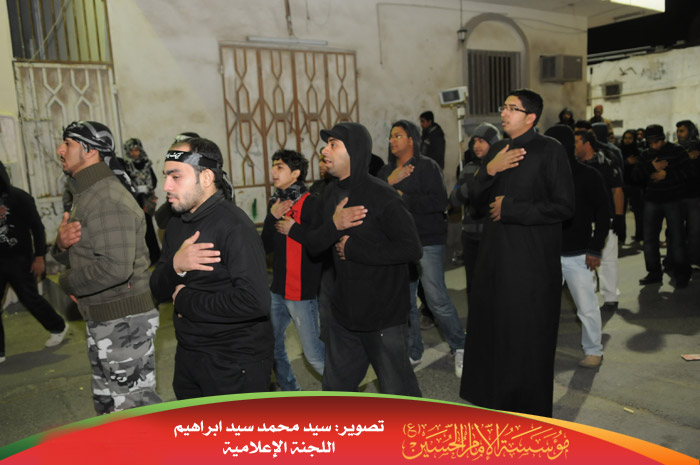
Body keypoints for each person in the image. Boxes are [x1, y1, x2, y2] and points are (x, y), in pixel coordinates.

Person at [460, 89, 575, 417]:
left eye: (513, 108)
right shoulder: (498, 150)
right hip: (494, 259)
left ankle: (525, 411)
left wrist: (512, 208)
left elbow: (564, 206)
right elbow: (475, 202)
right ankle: (493, 402)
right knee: (493, 332)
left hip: (530, 264)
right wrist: (490, 170)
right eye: (504, 106)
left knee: (524, 337)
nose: (504, 113)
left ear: (531, 117)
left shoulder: (550, 150)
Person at [149, 137, 273, 399]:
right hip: (189, 356)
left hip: (234, 362)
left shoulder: (234, 226)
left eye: (175, 176)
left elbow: (255, 302)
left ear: (205, 177)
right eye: (166, 176)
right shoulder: (176, 224)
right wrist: (176, 265)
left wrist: (185, 300)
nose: (166, 186)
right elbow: (157, 290)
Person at [305, 122, 422, 396]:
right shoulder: (330, 193)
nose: (324, 151)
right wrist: (334, 225)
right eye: (326, 145)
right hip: (344, 313)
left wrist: (356, 250)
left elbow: (411, 249)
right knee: (336, 390)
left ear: (354, 151)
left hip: (383, 316)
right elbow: (313, 244)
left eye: (333, 145)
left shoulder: (383, 195)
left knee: (399, 393)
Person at [52, 121, 161, 414]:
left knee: (134, 412)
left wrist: (68, 282)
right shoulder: (87, 193)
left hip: (123, 322)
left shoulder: (106, 197)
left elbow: (115, 269)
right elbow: (84, 252)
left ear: (90, 151)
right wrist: (61, 245)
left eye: (68, 144)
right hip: (104, 315)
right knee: (109, 407)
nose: (60, 150)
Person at [378, 120, 466, 376]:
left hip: (427, 240)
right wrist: (389, 182)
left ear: (411, 140)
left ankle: (460, 346)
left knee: (436, 298)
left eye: (398, 135)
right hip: (398, 243)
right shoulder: (386, 171)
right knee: (405, 302)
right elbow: (375, 203)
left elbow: (440, 202)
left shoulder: (427, 166)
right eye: (391, 136)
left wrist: (403, 197)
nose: (392, 140)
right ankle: (414, 350)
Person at [262, 149, 324, 391]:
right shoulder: (275, 203)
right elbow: (265, 246)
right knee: (272, 345)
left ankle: (345, 391)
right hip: (278, 289)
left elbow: (321, 243)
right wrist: (271, 217)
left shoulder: (312, 203)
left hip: (301, 290)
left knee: (314, 355)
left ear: (296, 173)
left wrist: (294, 230)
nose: (273, 171)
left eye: (279, 167)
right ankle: (291, 391)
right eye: (273, 166)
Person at [548, 125, 611, 369]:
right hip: (547, 255)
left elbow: (604, 213)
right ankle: (539, 350)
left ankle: (594, 350)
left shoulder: (589, 175)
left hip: (579, 255)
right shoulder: (543, 177)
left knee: (587, 307)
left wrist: (595, 248)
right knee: (541, 307)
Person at [1, 161, 69, 363]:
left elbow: (37, 228)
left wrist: (39, 256)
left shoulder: (19, 197)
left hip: (19, 258)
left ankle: (58, 326)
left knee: (30, 298)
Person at [632, 124, 692, 288]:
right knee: (650, 239)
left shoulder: (677, 151)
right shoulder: (646, 155)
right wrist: (651, 167)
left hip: (673, 199)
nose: (653, 146)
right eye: (650, 142)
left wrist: (667, 174)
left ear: (663, 138)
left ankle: (681, 273)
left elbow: (689, 172)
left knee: (677, 238)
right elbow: (635, 177)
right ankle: (654, 272)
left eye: (656, 142)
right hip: (652, 200)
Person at [574, 130, 623, 313]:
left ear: (586, 143)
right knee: (585, 261)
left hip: (605, 218)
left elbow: (617, 190)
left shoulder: (606, 162)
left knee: (608, 259)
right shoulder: (574, 165)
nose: (573, 146)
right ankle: (590, 298)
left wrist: (619, 217)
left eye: (576, 142)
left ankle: (610, 297)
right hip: (582, 220)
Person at [449, 123, 499, 296]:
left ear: (493, 143)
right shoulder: (469, 169)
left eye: (482, 141)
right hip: (470, 237)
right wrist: (473, 183)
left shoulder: (501, 168)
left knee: (494, 284)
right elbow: (454, 199)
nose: (477, 145)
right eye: (475, 141)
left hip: (493, 236)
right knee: (473, 284)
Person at [123, 138, 160, 265]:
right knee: (137, 230)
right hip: (134, 201)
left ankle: (154, 257)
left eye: (137, 150)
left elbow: (154, 181)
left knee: (148, 229)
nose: (134, 153)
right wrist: (136, 189)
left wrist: (146, 188)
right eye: (132, 150)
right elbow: (126, 182)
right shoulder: (126, 165)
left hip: (146, 201)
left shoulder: (146, 163)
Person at [676, 120, 700, 268]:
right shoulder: (675, 149)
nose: (679, 134)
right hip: (676, 195)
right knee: (675, 230)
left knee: (694, 231)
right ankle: (676, 260)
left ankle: (693, 260)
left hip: (694, 196)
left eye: (682, 131)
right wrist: (686, 157)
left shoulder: (698, 147)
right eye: (678, 131)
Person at [620, 129, 644, 242]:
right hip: (623, 184)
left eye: (630, 138)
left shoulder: (639, 152)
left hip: (636, 185)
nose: (627, 140)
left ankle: (639, 235)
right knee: (621, 211)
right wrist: (626, 163)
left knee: (638, 212)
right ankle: (621, 235)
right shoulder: (619, 151)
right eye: (625, 138)